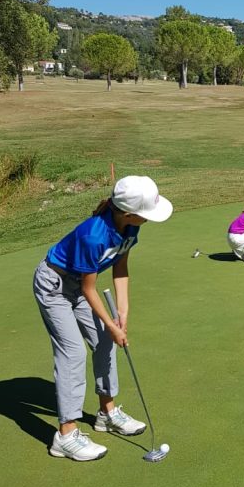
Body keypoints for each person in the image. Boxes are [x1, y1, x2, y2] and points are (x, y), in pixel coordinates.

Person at [33, 175, 173, 461]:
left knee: (105, 343)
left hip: (80, 285)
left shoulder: (131, 227)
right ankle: (66, 435)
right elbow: (88, 288)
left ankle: (106, 414)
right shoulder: (93, 235)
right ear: (129, 212)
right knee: (73, 354)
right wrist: (111, 324)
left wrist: (122, 313)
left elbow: (120, 268)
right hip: (55, 286)